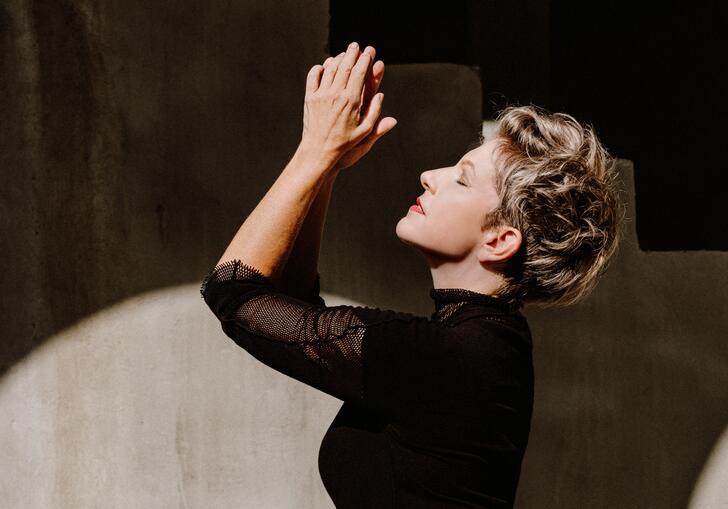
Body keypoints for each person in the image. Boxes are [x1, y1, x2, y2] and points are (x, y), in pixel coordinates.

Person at [200, 42, 625, 508]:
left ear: (500, 240)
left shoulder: (448, 355)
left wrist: (314, 150)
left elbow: (233, 292)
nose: (429, 174)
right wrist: (328, 167)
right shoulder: (488, 343)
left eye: (462, 178)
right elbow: (291, 309)